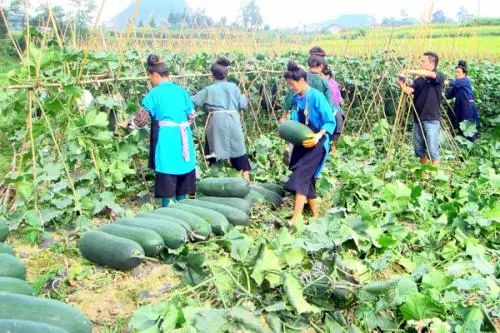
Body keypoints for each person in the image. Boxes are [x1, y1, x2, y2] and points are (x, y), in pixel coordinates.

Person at [122, 54, 197, 207]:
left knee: (167, 171)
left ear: (155, 75)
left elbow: (141, 121)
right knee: (182, 170)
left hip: (167, 137)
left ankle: (166, 209)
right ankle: (182, 205)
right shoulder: (181, 91)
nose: (150, 80)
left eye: (150, 77)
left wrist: (127, 124)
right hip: (183, 135)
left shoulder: (154, 94)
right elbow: (192, 115)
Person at [283, 61, 336, 225]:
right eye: (289, 85)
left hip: (317, 142)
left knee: (301, 175)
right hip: (303, 141)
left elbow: (330, 121)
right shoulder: (297, 97)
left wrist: (319, 135)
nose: (291, 87)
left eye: (293, 84)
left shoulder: (316, 96)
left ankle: (296, 217)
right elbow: (295, 121)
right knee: (309, 178)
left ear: (302, 81)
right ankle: (316, 215)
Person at [192, 57, 251, 181]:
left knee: (213, 148)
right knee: (238, 148)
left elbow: (194, 101)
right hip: (233, 119)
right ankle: (246, 180)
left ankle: (212, 177)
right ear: (226, 74)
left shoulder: (209, 89)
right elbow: (243, 104)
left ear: (212, 75)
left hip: (216, 121)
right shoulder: (234, 87)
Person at [397, 51, 446, 167]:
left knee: (432, 149)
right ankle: (424, 171)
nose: (420, 63)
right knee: (419, 148)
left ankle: (435, 175)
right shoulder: (419, 81)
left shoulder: (439, 76)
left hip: (431, 118)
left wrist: (410, 71)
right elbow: (408, 91)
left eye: (423, 61)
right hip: (417, 118)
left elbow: (430, 74)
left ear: (432, 64)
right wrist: (401, 84)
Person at [280, 47, 333, 123]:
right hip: (317, 121)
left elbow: (290, 98)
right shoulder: (324, 83)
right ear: (321, 66)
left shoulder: (299, 77)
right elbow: (329, 107)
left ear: (309, 64)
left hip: (298, 119)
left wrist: (283, 117)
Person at [445, 60, 480, 141]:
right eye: (456, 72)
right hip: (460, 107)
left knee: (468, 125)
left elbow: (452, 83)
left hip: (468, 107)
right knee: (461, 124)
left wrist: (441, 81)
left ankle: (471, 144)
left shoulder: (465, 81)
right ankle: (463, 144)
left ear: (464, 74)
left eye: (458, 72)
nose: (456, 74)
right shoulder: (457, 84)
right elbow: (449, 95)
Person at [322, 67, 345, 153]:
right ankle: (332, 151)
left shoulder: (329, 85)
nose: (320, 77)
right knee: (334, 130)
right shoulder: (332, 83)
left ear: (327, 76)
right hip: (335, 109)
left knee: (332, 130)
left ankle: (331, 151)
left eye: (321, 75)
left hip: (333, 109)